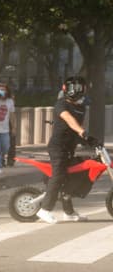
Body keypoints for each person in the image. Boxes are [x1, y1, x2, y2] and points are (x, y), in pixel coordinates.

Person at [35, 76, 98, 224]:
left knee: (77, 176)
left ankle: (68, 212)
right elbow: (70, 120)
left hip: (69, 148)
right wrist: (82, 131)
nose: (81, 91)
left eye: (82, 88)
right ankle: (45, 210)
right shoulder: (61, 104)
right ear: (69, 89)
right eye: (78, 88)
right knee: (58, 176)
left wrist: (90, 140)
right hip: (57, 148)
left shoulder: (81, 108)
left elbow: (77, 130)